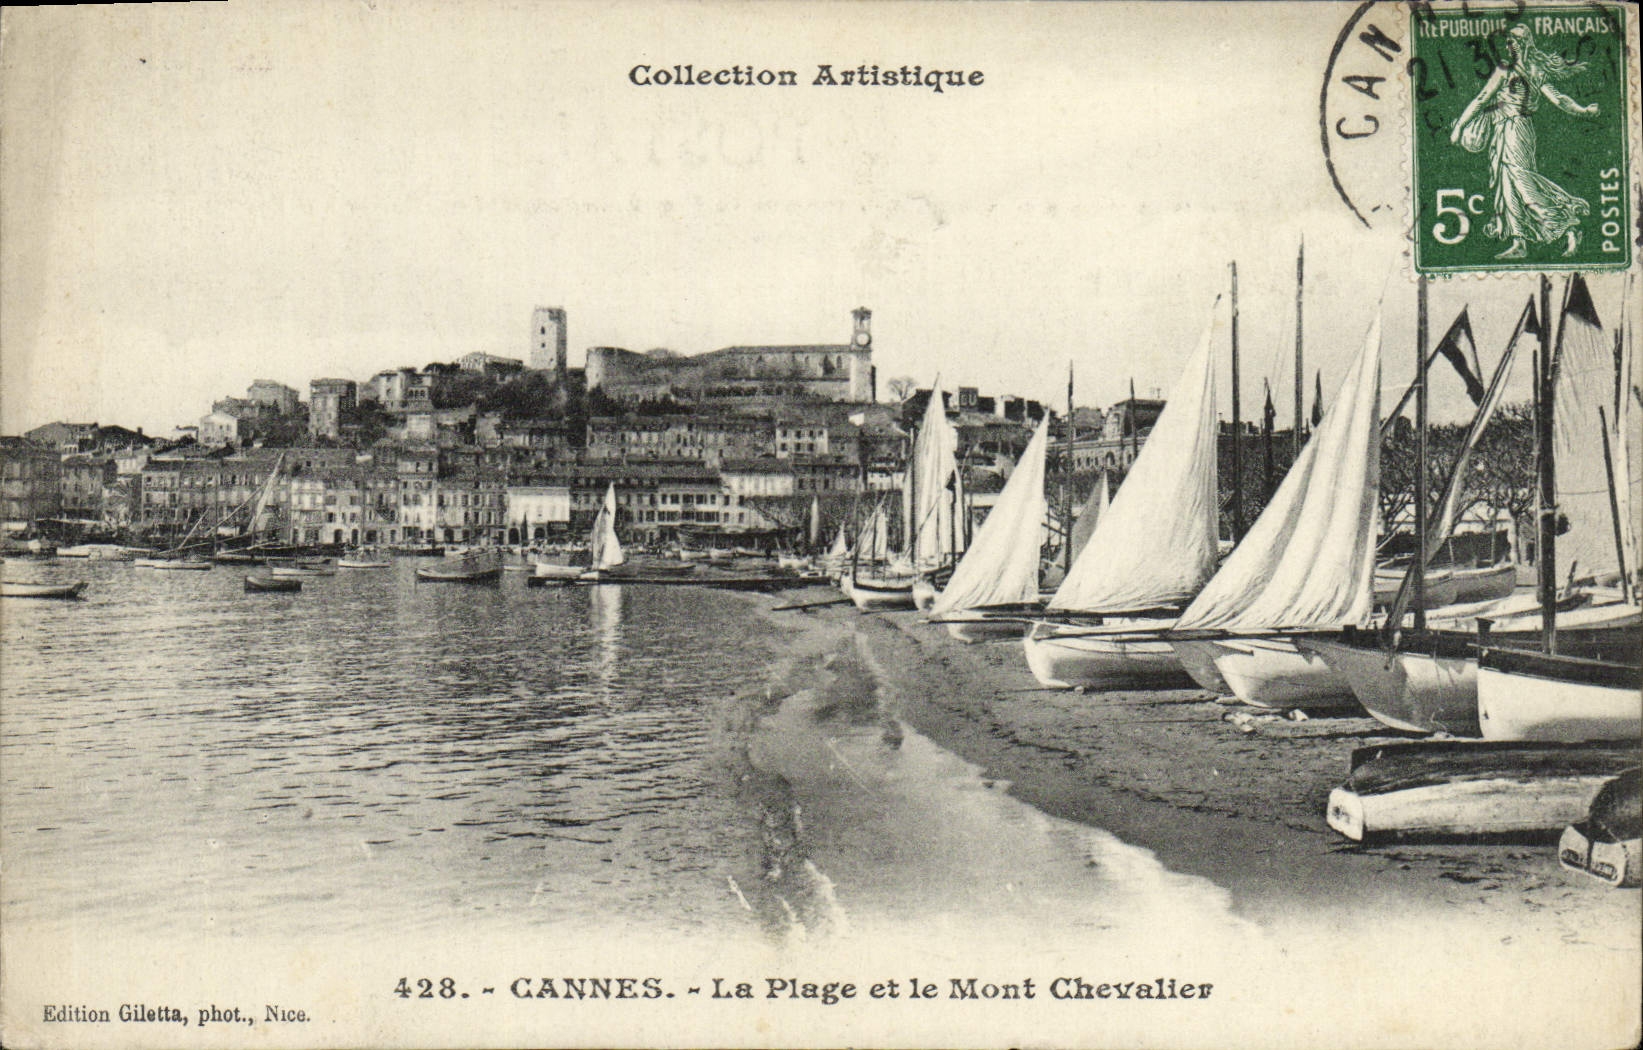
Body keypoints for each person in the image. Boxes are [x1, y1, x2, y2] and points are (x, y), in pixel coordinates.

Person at [1449, 24, 1600, 259]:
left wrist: (1583, 110)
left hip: (1518, 129)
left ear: (1525, 43)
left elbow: (1559, 99)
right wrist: (1460, 125)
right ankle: (1519, 242)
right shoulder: (1507, 69)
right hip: (1502, 129)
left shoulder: (1530, 70)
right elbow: (1482, 99)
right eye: (1508, 42)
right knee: (1507, 185)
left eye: (1513, 41)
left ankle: (1568, 224)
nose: (1509, 46)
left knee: (1522, 182)